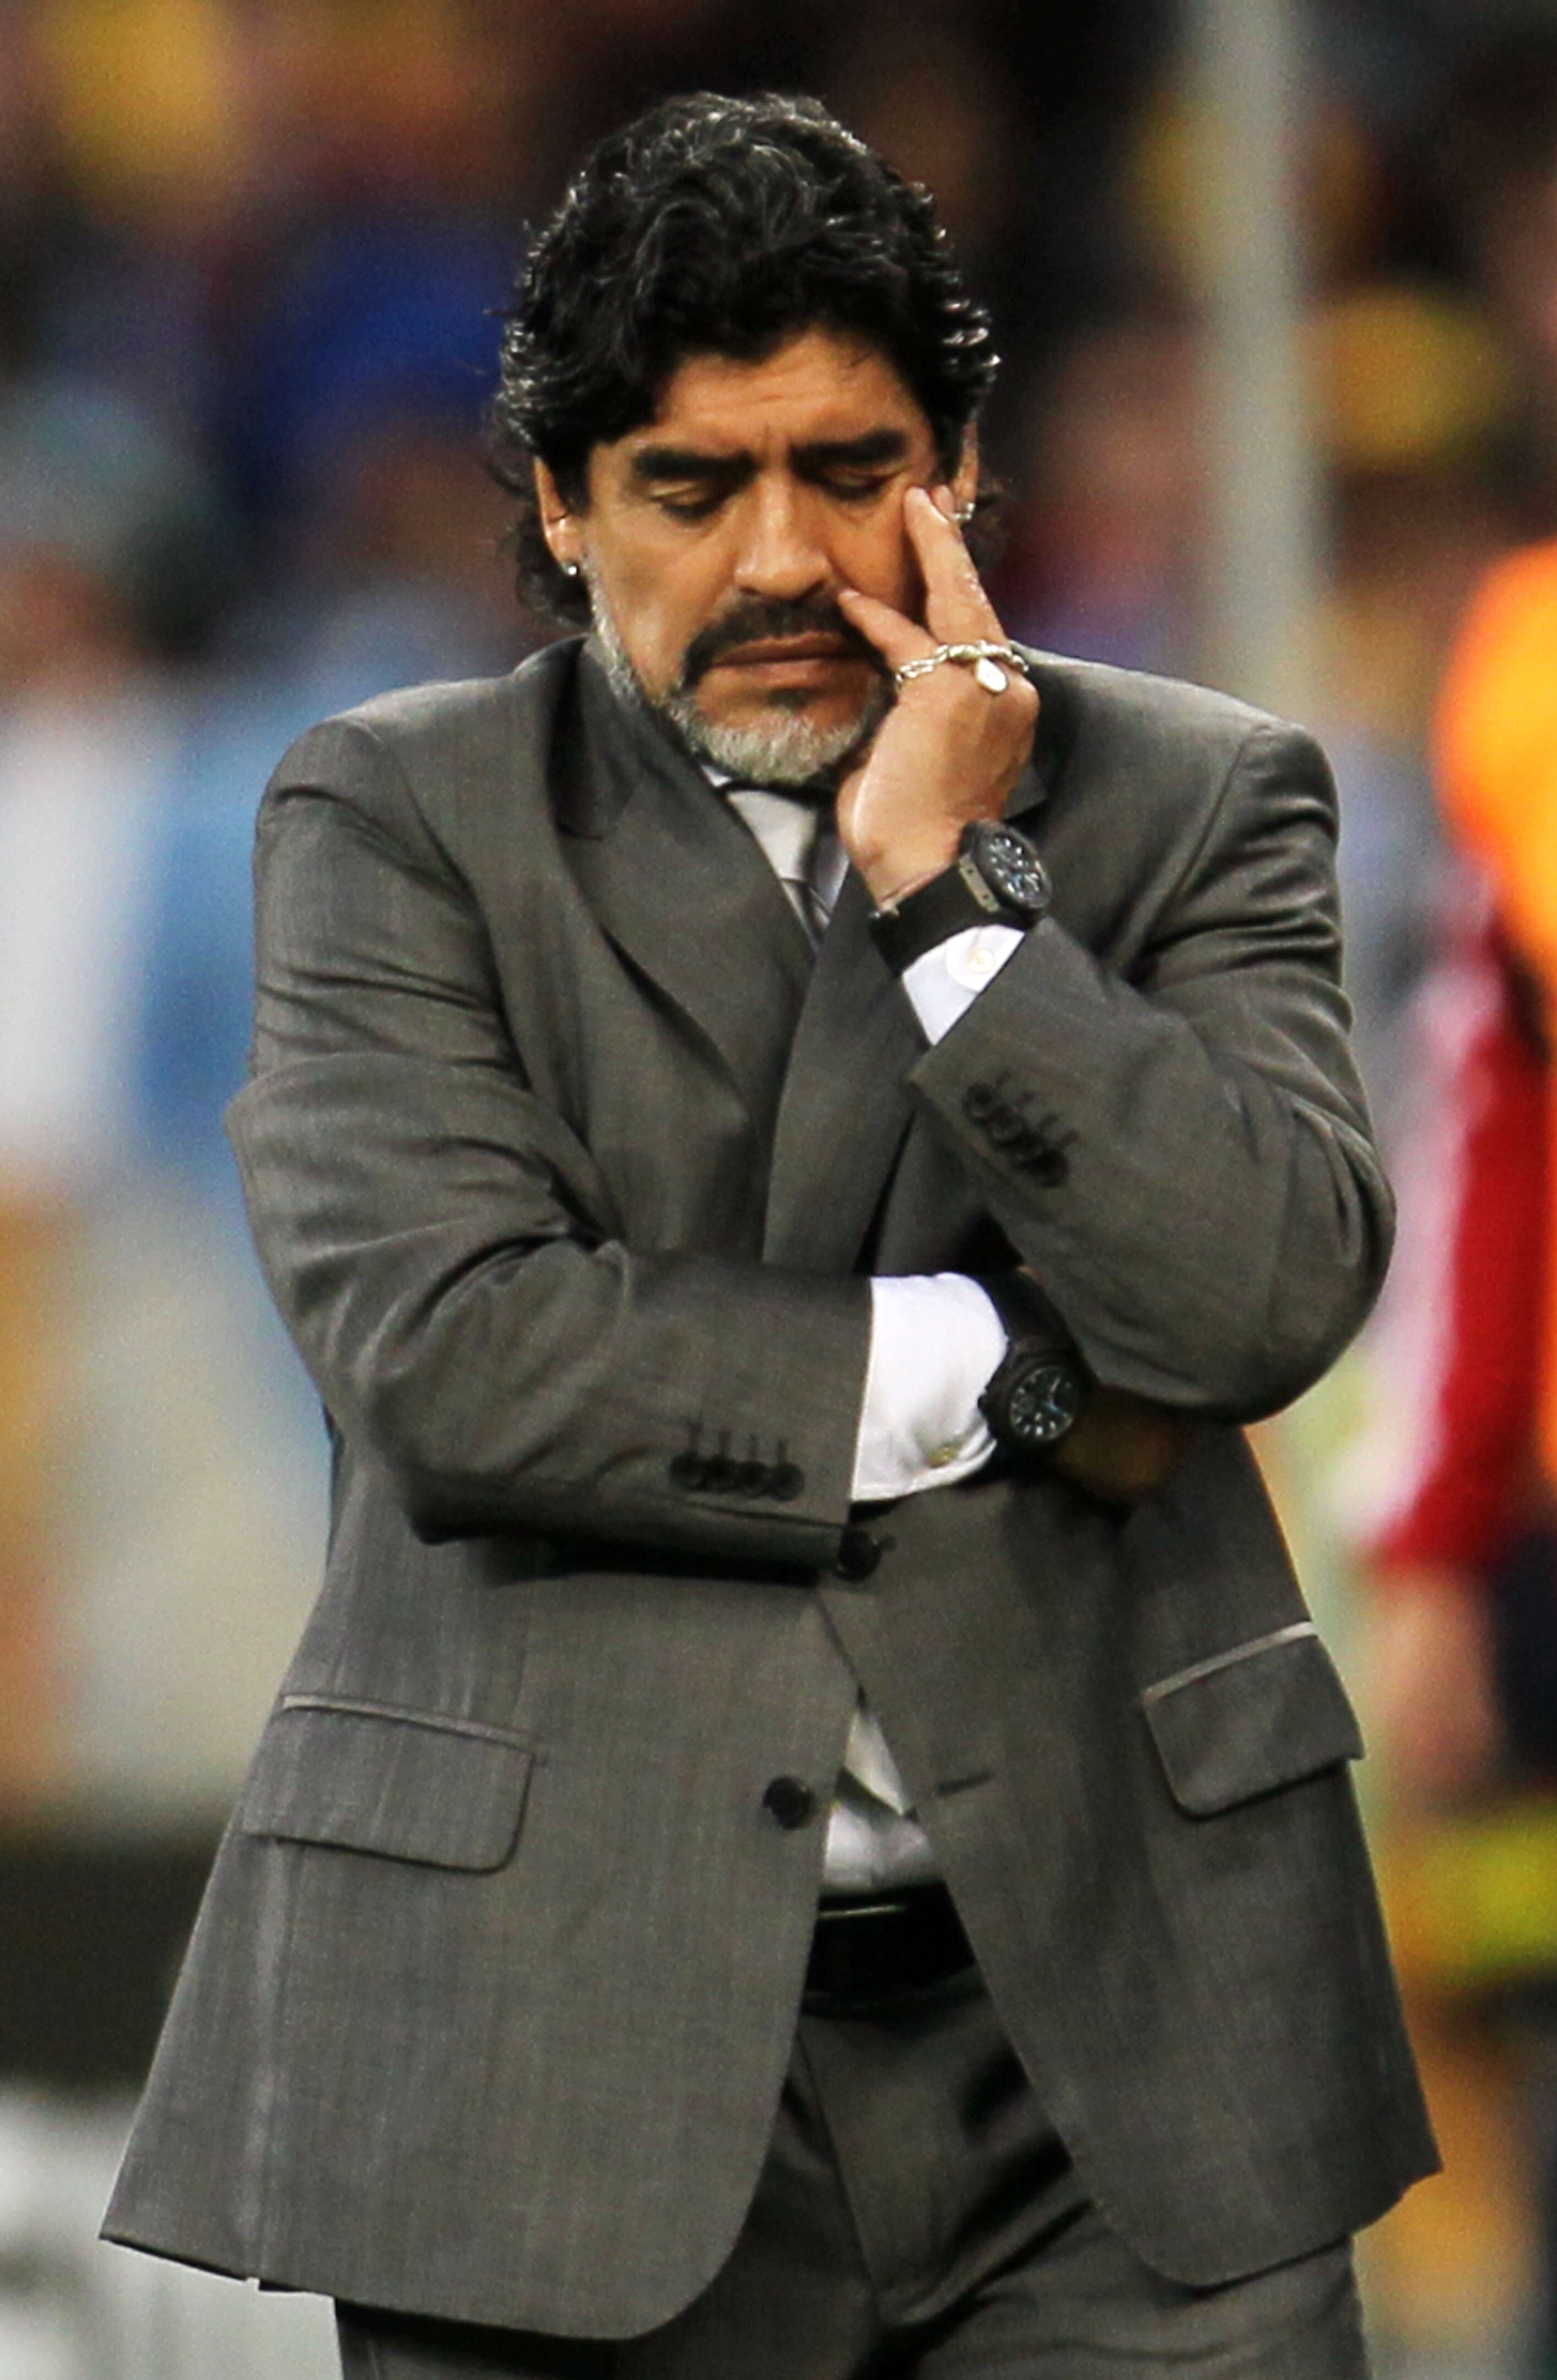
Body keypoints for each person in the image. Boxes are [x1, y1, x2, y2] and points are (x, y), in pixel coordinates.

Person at [104, 93, 1434, 2378]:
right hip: (559, 2063)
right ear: (559, 502)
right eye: (690, 488)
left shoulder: (1198, 795)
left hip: (1126, 2058)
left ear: (960, 471)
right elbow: (455, 1359)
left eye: (850, 470)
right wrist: (1013, 1373)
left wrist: (955, 896)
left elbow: (1259, 1294)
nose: (783, 559)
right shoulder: (396, 816)